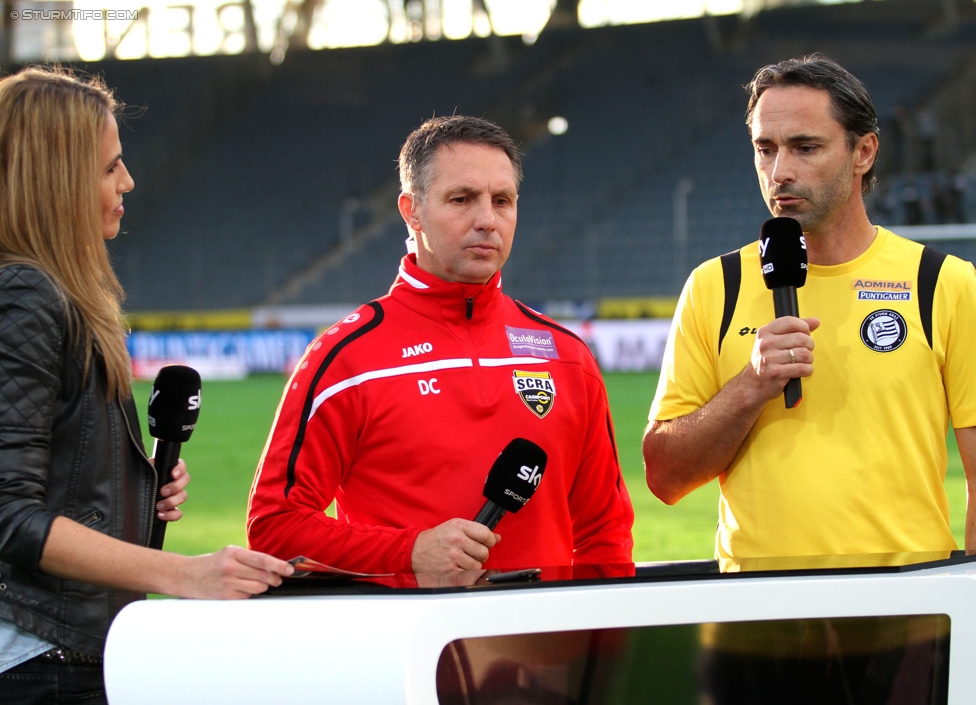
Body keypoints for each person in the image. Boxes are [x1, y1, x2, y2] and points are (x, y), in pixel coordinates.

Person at [0, 66, 294, 703]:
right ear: (58, 179)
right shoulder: (27, 294)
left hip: (65, 645)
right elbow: (9, 513)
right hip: (38, 654)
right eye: (109, 168)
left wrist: (132, 484)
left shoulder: (59, 294)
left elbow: (53, 471)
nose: (128, 182)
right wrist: (181, 573)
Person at [247, 115, 634, 576]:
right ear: (411, 210)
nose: (487, 220)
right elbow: (275, 526)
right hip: (412, 645)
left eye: (502, 201)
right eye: (462, 199)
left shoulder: (569, 356)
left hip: (544, 646)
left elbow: (604, 532)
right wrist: (409, 552)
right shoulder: (346, 357)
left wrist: (599, 644)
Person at [643, 53, 976, 563]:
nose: (780, 171)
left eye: (805, 148)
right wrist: (751, 385)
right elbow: (664, 477)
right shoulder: (716, 286)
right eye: (765, 149)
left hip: (905, 610)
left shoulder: (943, 283)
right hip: (759, 616)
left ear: (863, 151)